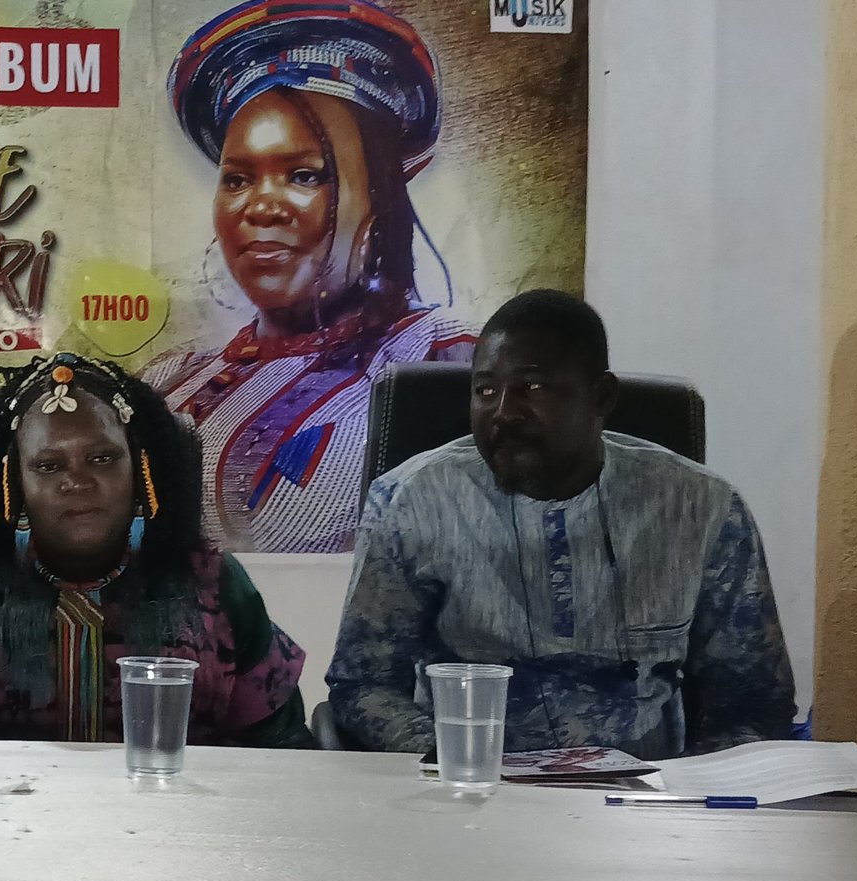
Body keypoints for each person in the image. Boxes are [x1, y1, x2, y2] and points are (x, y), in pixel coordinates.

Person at [325, 290, 795, 758]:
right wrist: (452, 757)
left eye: (532, 387)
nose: (504, 412)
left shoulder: (703, 508)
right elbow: (362, 683)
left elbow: (752, 701)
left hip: (648, 791)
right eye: (486, 390)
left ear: (601, 396)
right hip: (472, 785)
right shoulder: (410, 501)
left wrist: (698, 789)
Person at [0, 352, 312, 747]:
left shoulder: (212, 582)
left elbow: (283, 752)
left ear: (140, 471)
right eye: (49, 465)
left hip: (175, 834)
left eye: (102, 458)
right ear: (14, 481)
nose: (77, 481)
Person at [145, 0, 476, 554]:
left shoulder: (451, 363)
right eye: (237, 179)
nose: (261, 207)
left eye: (304, 175)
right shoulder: (169, 382)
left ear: (380, 196)